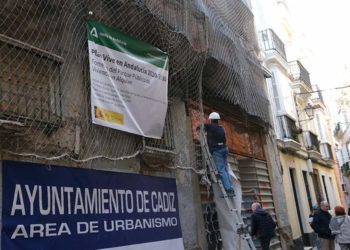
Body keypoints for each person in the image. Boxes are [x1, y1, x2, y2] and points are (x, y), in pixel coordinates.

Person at [204, 112, 234, 196]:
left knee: (221, 170)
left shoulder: (212, 127)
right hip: (224, 148)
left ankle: (228, 189)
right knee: (225, 169)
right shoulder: (221, 128)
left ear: (212, 120)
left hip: (217, 150)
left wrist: (199, 128)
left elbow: (204, 126)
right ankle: (231, 188)